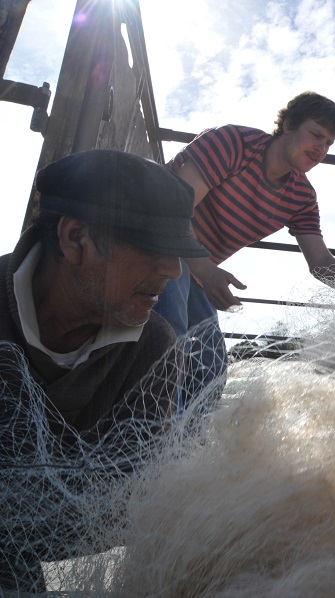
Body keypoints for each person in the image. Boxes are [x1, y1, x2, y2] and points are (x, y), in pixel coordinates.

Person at [0, 149, 210, 592]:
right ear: (75, 238)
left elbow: (120, 505)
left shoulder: (153, 349)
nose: (172, 272)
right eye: (154, 249)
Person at [154, 90, 335, 339]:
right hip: (154, 239)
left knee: (211, 365)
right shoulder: (235, 142)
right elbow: (171, 208)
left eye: (328, 143)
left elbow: (320, 262)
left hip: (195, 272)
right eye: (316, 135)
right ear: (288, 125)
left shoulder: (302, 197)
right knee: (168, 332)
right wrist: (207, 271)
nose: (321, 149)